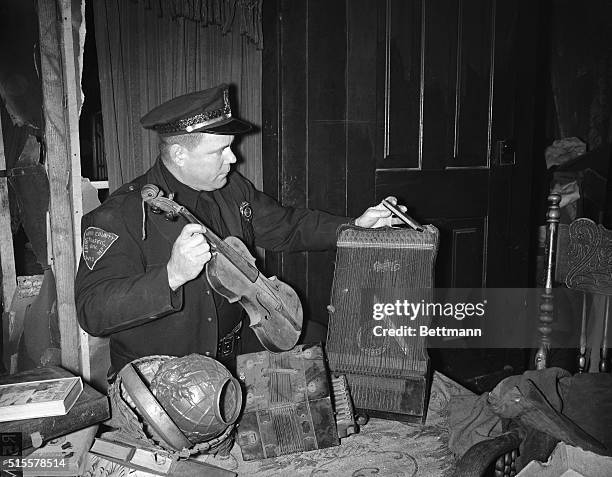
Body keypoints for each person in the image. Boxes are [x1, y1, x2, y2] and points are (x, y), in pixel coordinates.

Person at [75, 84, 404, 376]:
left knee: (322, 343)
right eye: (219, 151)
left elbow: (287, 225)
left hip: (238, 344)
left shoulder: (230, 188)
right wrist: (171, 276)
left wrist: (354, 226)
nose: (232, 158)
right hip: (170, 371)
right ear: (179, 154)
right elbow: (92, 311)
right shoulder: (119, 215)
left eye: (230, 146)